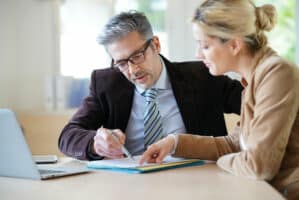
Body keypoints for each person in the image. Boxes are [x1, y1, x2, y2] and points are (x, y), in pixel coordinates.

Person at [139, 1, 299, 199]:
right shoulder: (254, 79)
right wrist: (174, 142)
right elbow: (235, 144)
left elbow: (258, 166)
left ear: (234, 44)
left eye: (205, 45)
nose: (198, 54)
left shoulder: (277, 74)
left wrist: (222, 161)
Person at [58, 11, 242, 161]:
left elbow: (256, 102)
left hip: (197, 181)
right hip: (129, 185)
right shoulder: (106, 84)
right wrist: (95, 143)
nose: (132, 70)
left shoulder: (202, 75)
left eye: (137, 56)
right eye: (122, 63)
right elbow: (68, 136)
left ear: (156, 44)